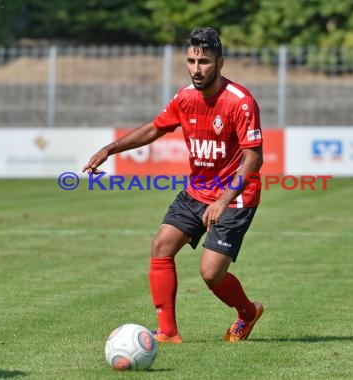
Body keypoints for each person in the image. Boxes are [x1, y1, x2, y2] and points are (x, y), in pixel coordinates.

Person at [83, 27, 264, 343]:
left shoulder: (241, 102)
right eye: (191, 61)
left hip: (235, 198)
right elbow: (155, 128)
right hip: (196, 191)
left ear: (220, 63)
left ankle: (247, 312)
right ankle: (167, 332)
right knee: (161, 246)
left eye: (204, 62)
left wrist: (222, 200)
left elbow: (253, 159)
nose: (196, 69)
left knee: (210, 274)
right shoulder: (185, 98)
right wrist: (109, 149)